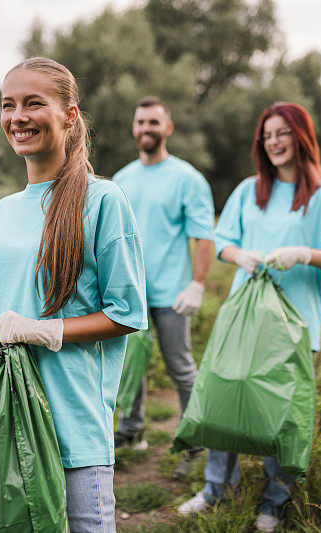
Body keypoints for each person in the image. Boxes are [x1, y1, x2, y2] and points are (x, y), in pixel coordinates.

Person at [0, 57, 147, 532]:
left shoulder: (103, 200)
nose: (18, 117)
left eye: (35, 103)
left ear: (70, 115)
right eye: (8, 105)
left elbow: (127, 313)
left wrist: (45, 329)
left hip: (69, 428)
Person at [177, 102, 321, 532]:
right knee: (224, 400)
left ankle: (274, 502)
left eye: (282, 133)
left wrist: (304, 254)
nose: (274, 142)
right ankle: (216, 487)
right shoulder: (247, 190)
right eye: (267, 135)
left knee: (282, 412)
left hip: (293, 325)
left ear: (301, 136)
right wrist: (241, 255)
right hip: (244, 317)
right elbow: (222, 241)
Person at [112, 97, 215, 476]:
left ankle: (194, 440)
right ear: (133, 128)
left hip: (172, 293)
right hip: (129, 293)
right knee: (129, 366)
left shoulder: (187, 178)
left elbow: (203, 237)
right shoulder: (121, 180)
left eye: (154, 122)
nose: (146, 129)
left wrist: (197, 285)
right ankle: (132, 429)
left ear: (168, 127)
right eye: (140, 122)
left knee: (180, 366)